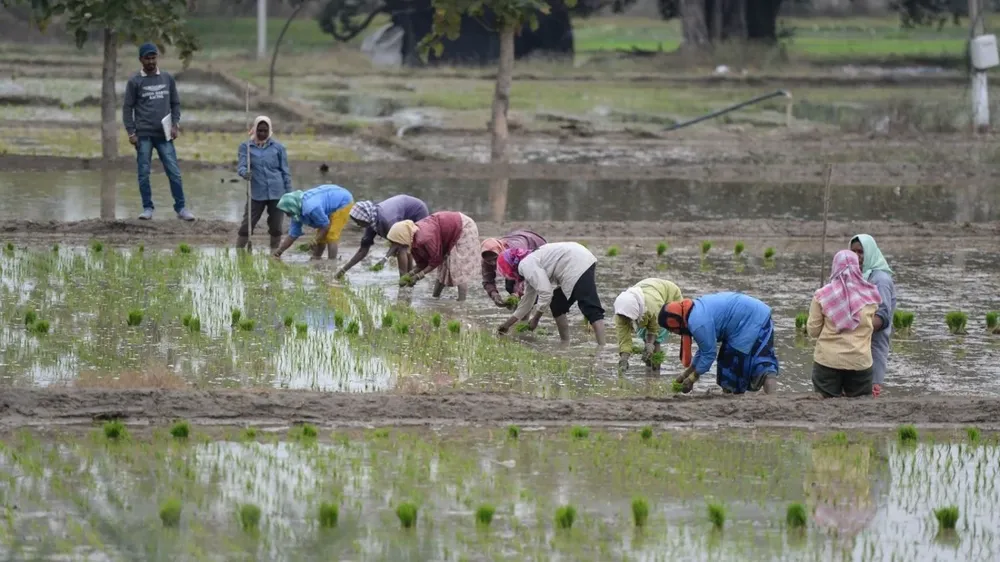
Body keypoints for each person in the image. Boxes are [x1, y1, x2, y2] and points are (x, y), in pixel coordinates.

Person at [122, 42, 194, 222]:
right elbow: (127, 108)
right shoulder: (135, 82)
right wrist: (131, 133)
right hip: (143, 135)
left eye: (154, 57)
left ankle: (181, 207)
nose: (151, 61)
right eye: (148, 58)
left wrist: (175, 124)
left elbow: (175, 104)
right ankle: (147, 208)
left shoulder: (167, 79)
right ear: (141, 60)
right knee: (144, 172)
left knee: (174, 171)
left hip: (164, 135)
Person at [659, 292, 779, 395]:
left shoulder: (698, 323)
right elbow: (704, 349)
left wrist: (691, 379)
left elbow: (709, 354)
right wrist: (686, 374)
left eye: (670, 329)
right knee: (738, 362)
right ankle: (735, 397)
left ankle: (772, 400)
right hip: (752, 314)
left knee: (739, 362)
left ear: (674, 321)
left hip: (751, 320)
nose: (672, 332)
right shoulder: (691, 312)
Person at [495, 242, 606, 346]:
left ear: (509, 265)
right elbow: (527, 302)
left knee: (589, 306)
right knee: (557, 303)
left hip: (576, 262)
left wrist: (535, 319)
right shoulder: (528, 264)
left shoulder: (525, 265)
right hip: (577, 257)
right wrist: (506, 325)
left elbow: (546, 293)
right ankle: (565, 343)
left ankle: (602, 348)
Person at [807, 250, 882, 398]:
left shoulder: (822, 295)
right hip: (860, 361)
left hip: (827, 361)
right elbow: (871, 326)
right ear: (857, 268)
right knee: (860, 408)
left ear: (835, 267)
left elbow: (813, 331)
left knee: (825, 406)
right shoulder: (870, 295)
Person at [386, 211, 480, 300]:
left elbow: (435, 260)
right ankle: (435, 298)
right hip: (447, 233)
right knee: (443, 269)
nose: (396, 247)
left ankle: (461, 303)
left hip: (463, 227)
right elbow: (422, 263)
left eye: (397, 243)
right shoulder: (412, 240)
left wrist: (418, 276)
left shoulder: (425, 237)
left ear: (403, 237)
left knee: (458, 268)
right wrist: (409, 275)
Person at [336, 195, 430, 279]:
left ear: (365, 217)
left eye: (358, 222)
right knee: (404, 247)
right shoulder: (371, 222)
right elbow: (362, 250)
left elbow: (398, 243)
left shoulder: (387, 221)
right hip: (401, 210)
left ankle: (404, 282)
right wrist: (342, 271)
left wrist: (384, 259)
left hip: (417, 211)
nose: (358, 225)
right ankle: (408, 278)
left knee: (402, 248)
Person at [235, 116, 292, 252]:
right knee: (247, 224)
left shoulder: (278, 148)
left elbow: (285, 171)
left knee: (276, 227)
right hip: (257, 192)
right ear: (254, 130)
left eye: (265, 131)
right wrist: (245, 173)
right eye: (259, 130)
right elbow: (241, 166)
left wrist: (289, 195)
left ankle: (274, 253)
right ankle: (239, 252)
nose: (262, 134)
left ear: (269, 131)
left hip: (277, 192)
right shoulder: (246, 147)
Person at [850, 234, 896, 398]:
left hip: (873, 345)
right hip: (858, 346)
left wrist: (855, 326)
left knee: (870, 392)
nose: (857, 257)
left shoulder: (880, 279)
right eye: (853, 252)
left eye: (861, 252)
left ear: (870, 253)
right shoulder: (858, 276)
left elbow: (883, 318)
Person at [614, 278, 683, 373]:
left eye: (629, 318)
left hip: (668, 295)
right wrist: (624, 359)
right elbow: (624, 339)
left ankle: (656, 372)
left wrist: (650, 344)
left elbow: (654, 328)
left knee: (656, 341)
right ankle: (648, 369)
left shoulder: (653, 307)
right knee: (643, 334)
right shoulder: (621, 314)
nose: (627, 320)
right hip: (647, 293)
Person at [272, 185, 354, 261]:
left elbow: (326, 226)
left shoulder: (311, 207)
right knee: (320, 235)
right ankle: (316, 258)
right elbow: (293, 235)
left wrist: (314, 241)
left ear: (291, 207)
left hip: (343, 201)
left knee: (331, 234)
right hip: (329, 202)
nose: (287, 215)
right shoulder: (296, 211)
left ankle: (332, 262)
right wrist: (278, 252)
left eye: (287, 212)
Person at [480, 230, 546, 307]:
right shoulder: (486, 258)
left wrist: (517, 294)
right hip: (513, 251)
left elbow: (522, 277)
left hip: (533, 245)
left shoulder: (514, 253)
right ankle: (520, 311)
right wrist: (494, 294)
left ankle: (530, 310)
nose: (494, 263)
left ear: (500, 251)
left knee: (532, 288)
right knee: (509, 286)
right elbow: (487, 280)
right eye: (489, 261)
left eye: (495, 258)